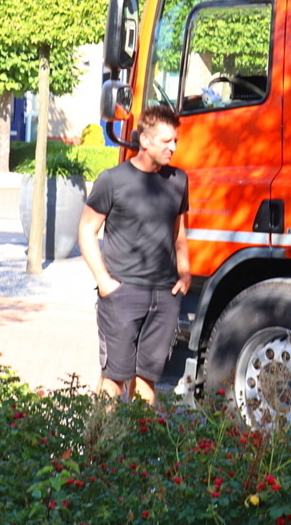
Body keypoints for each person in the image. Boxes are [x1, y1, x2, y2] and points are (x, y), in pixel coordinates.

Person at [78, 104, 191, 406]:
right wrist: (104, 281)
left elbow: (179, 230)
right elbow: (86, 231)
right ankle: (97, 449)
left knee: (147, 382)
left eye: (175, 141)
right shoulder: (113, 180)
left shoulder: (178, 179)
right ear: (145, 140)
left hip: (165, 295)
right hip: (123, 293)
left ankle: (137, 450)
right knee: (114, 379)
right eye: (167, 141)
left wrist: (185, 271)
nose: (173, 148)